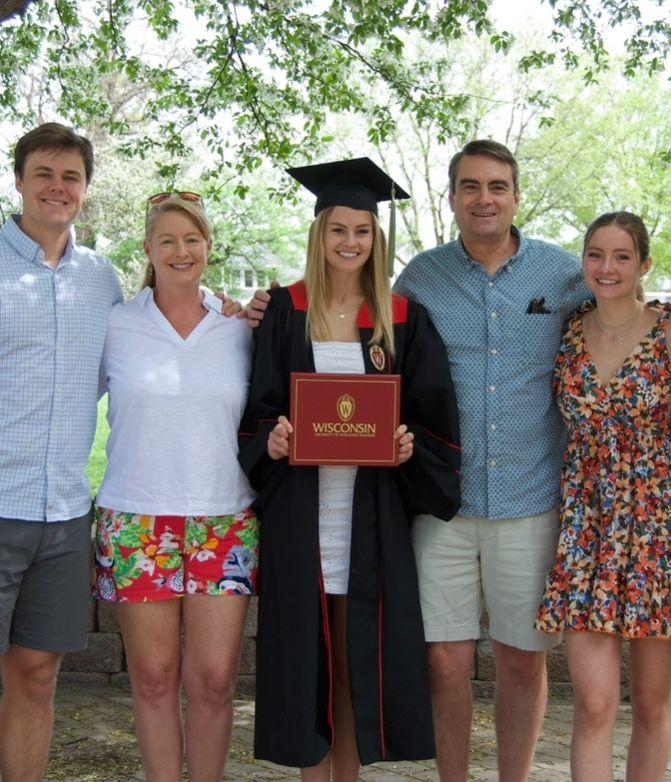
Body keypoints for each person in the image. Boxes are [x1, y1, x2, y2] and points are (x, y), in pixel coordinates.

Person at [238, 158, 461, 781]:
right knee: (309, 664)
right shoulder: (284, 309)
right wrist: (272, 438)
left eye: (362, 231)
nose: (349, 242)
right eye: (337, 229)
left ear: (376, 238)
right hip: (301, 514)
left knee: (353, 664)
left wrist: (407, 445)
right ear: (319, 233)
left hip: (371, 516)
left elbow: (432, 416)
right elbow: (256, 407)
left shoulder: (402, 317)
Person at [392, 140, 592, 781]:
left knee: (522, 660)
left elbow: (615, 326)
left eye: (497, 186)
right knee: (444, 661)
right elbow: (370, 352)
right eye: (471, 186)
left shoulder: (563, 276)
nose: (485, 198)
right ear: (452, 197)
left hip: (530, 502)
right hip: (442, 506)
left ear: (516, 196)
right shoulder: (419, 279)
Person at [92, 192, 258, 781]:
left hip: (224, 520)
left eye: (191, 240)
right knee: (154, 678)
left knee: (214, 681)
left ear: (208, 247)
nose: (179, 251)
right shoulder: (116, 323)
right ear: (148, 248)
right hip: (136, 520)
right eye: (166, 240)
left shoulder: (241, 327)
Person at [534, 211, 671, 781]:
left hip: (656, 521)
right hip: (586, 523)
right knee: (594, 703)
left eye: (622, 256)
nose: (607, 267)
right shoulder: (567, 331)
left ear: (643, 264)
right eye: (596, 255)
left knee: (652, 703)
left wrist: (643, 436)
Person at [0, 123, 124, 782]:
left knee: (38, 674)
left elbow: (141, 359)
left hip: (65, 515)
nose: (57, 187)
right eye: (44, 173)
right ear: (19, 180)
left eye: (70, 176)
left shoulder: (102, 280)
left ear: (85, 188)